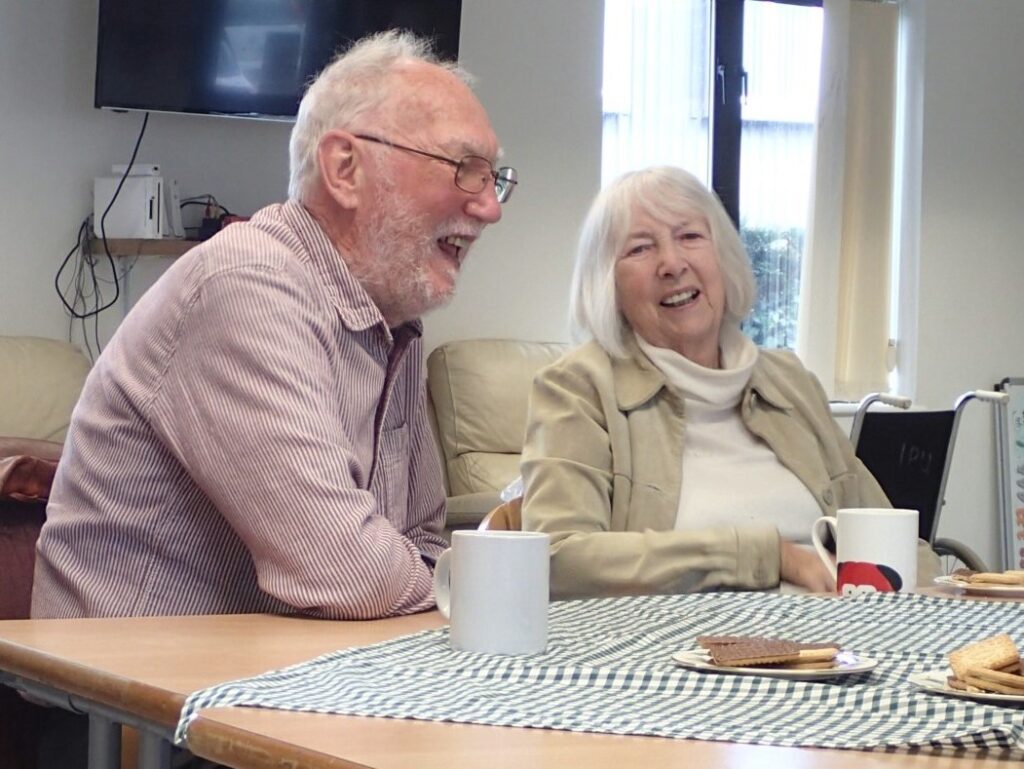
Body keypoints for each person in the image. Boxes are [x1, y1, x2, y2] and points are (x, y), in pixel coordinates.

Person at [32, 31, 516, 620]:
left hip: (281, 669)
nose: (489, 207)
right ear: (344, 169)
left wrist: (430, 580)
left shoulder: (393, 317)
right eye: (465, 168)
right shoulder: (247, 283)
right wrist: (445, 587)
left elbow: (422, 541)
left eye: (495, 178)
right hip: (125, 693)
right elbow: (346, 571)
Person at [520, 166, 937, 599]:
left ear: (724, 257)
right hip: (673, 651)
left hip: (839, 642)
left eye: (690, 237)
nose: (672, 263)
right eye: (641, 248)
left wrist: (933, 587)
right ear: (607, 285)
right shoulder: (577, 388)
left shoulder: (789, 380)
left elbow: (893, 540)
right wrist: (766, 555)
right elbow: (559, 560)